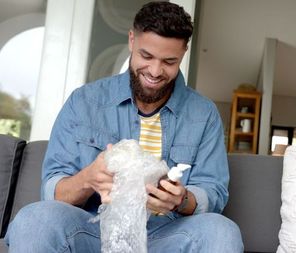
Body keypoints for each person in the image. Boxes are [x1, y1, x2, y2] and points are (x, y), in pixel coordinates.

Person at [5, 2, 243, 252]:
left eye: (169, 62)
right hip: (93, 228)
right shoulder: (84, 101)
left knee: (222, 231)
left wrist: (181, 200)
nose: (154, 71)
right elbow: (53, 192)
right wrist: (87, 179)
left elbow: (213, 192)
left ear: (183, 52)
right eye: (146, 56)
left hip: (166, 235)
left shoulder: (204, 114)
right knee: (34, 219)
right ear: (131, 40)